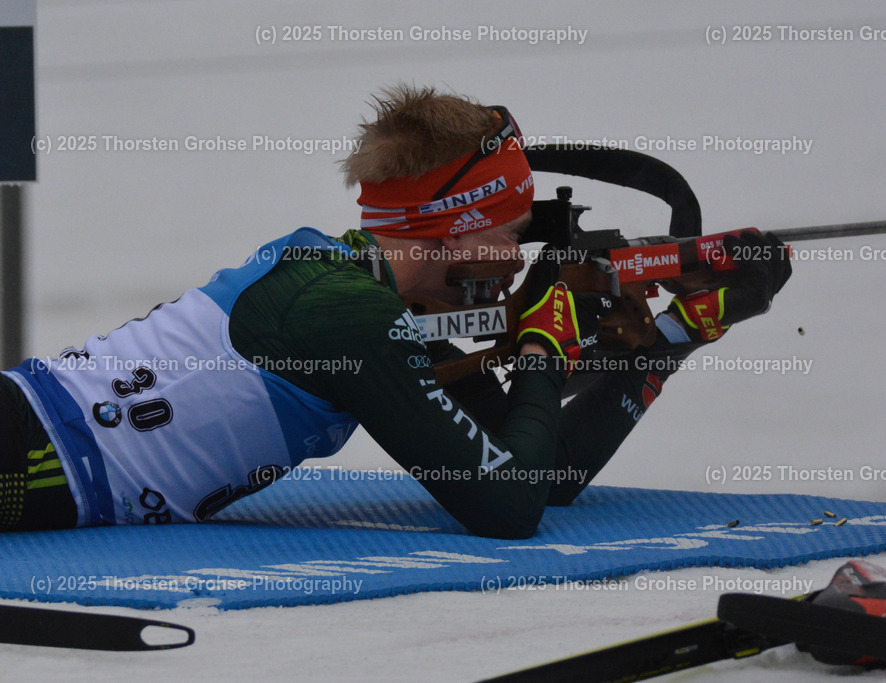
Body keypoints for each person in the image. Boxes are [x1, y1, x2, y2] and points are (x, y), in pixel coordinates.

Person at [0, 85, 789, 538]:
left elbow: (541, 475)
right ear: (455, 226)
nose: (516, 259)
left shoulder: (392, 302)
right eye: (512, 236)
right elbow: (504, 509)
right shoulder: (350, 315)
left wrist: (676, 336)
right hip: (27, 450)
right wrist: (545, 344)